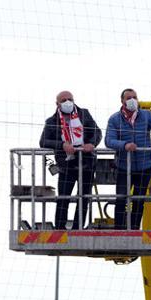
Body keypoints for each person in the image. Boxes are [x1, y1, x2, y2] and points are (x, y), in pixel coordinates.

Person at [105, 88, 151, 230]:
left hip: (145, 165)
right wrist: (125, 145)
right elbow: (109, 141)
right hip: (124, 166)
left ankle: (135, 229)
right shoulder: (114, 119)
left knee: (139, 199)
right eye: (129, 98)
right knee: (121, 199)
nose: (132, 100)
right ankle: (119, 229)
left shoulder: (147, 116)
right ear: (122, 101)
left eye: (134, 97)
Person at [39, 90, 102, 230]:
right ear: (57, 104)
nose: (68, 102)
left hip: (86, 163)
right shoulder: (51, 121)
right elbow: (43, 141)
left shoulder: (84, 114)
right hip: (66, 164)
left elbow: (97, 132)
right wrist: (62, 145)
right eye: (64, 100)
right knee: (63, 197)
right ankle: (60, 227)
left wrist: (91, 144)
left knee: (84, 197)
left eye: (70, 99)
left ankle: (78, 226)